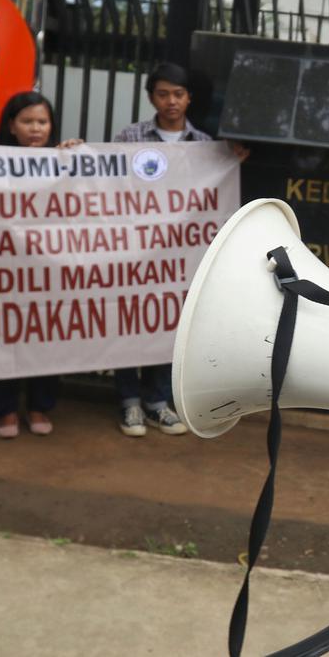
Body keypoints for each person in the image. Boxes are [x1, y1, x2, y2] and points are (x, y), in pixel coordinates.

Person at [108, 62, 209, 437]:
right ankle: (129, 400)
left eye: (178, 94)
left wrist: (231, 160)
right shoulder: (130, 136)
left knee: (168, 321)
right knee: (129, 320)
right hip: (134, 249)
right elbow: (109, 181)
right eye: (163, 94)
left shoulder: (205, 145)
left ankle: (157, 401)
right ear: (151, 97)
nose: (171, 101)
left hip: (177, 256)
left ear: (189, 98)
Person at [0, 91, 81, 438]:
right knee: (5, 336)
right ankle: (5, 410)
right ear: (11, 126)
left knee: (46, 335)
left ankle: (40, 406)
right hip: (3, 268)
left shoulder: (63, 160)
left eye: (42, 121)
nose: (36, 128)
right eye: (27, 121)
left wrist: (76, 157)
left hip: (47, 268)